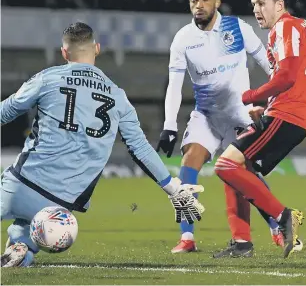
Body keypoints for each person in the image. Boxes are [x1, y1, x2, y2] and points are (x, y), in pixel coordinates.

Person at [0, 22, 205, 267]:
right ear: (97, 49)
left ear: (64, 53)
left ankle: (20, 246)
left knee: (18, 214)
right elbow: (139, 148)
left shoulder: (48, 78)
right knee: (23, 239)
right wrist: (172, 187)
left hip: (22, 185)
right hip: (61, 207)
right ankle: (22, 248)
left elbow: (8, 110)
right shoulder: (118, 95)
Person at [156, 0, 287, 255]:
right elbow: (174, 85)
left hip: (240, 114)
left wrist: (277, 98)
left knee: (246, 175)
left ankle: (277, 225)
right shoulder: (182, 39)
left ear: (216, 2)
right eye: (193, 0)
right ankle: (187, 238)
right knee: (188, 164)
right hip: (207, 115)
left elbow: (267, 62)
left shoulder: (237, 27)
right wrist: (169, 126)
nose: (199, 5)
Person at [214, 0, 306, 258]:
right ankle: (242, 243)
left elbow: (286, 77)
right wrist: (269, 105)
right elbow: (301, 81)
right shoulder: (304, 29)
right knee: (237, 168)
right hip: (291, 113)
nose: (257, 10)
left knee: (225, 165)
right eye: (253, 5)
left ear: (280, 5)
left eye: (262, 3)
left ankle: (283, 217)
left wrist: (254, 96)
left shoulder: (285, 27)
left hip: (288, 114)